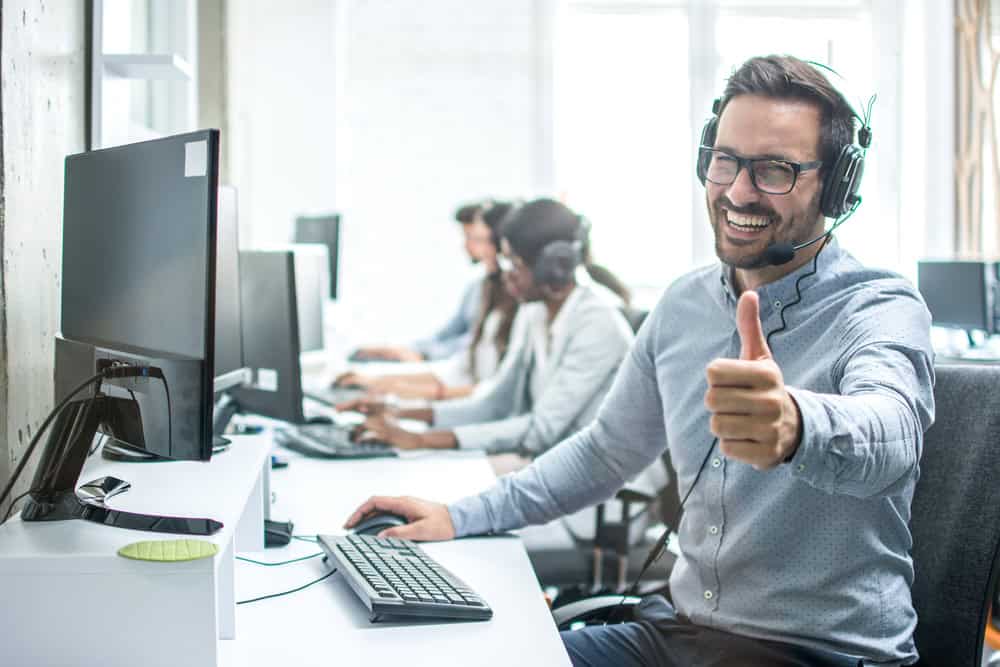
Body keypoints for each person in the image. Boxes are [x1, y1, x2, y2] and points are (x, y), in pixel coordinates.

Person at [343, 55, 935, 667]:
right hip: (681, 635)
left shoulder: (879, 306)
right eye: (725, 160)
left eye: (775, 171)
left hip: (820, 654)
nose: (736, 190)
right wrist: (458, 515)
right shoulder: (683, 305)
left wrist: (795, 425)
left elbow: (891, 435)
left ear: (836, 185)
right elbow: (605, 452)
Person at [338, 198, 635, 456]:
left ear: (552, 267)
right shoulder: (535, 314)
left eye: (514, 264)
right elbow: (495, 403)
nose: (505, 276)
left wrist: (419, 439)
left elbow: (541, 430)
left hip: (599, 493)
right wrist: (399, 414)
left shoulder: (597, 323)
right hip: (552, 463)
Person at [336, 201, 521, 400]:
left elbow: (489, 391)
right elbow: (459, 365)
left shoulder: (519, 310)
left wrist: (399, 388)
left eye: (481, 240)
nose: (475, 249)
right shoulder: (485, 289)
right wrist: (378, 380)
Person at [350, 201, 492, 362]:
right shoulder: (476, 287)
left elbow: (477, 344)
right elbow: (447, 333)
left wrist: (424, 354)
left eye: (473, 238)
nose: (466, 246)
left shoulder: (508, 292)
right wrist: (402, 350)